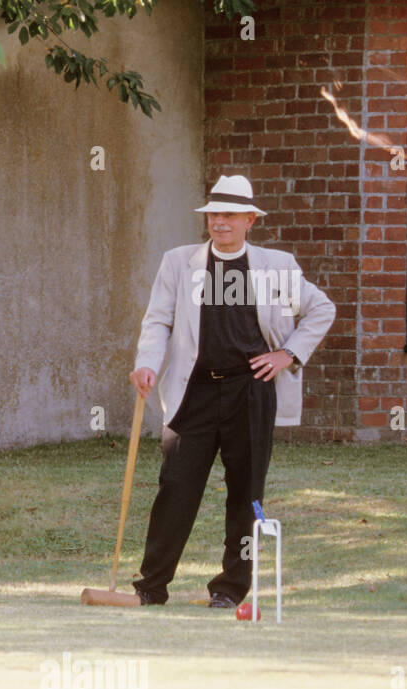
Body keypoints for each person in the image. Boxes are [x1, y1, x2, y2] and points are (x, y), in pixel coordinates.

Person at [129, 174, 335, 608]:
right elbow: (158, 320)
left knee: (246, 492)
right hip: (195, 392)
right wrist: (147, 362)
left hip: (251, 390)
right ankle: (151, 586)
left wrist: (288, 354)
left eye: (229, 215)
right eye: (214, 214)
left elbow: (322, 309)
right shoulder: (178, 262)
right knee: (176, 485)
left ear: (249, 220)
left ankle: (229, 589)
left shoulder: (277, 266)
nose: (220, 222)